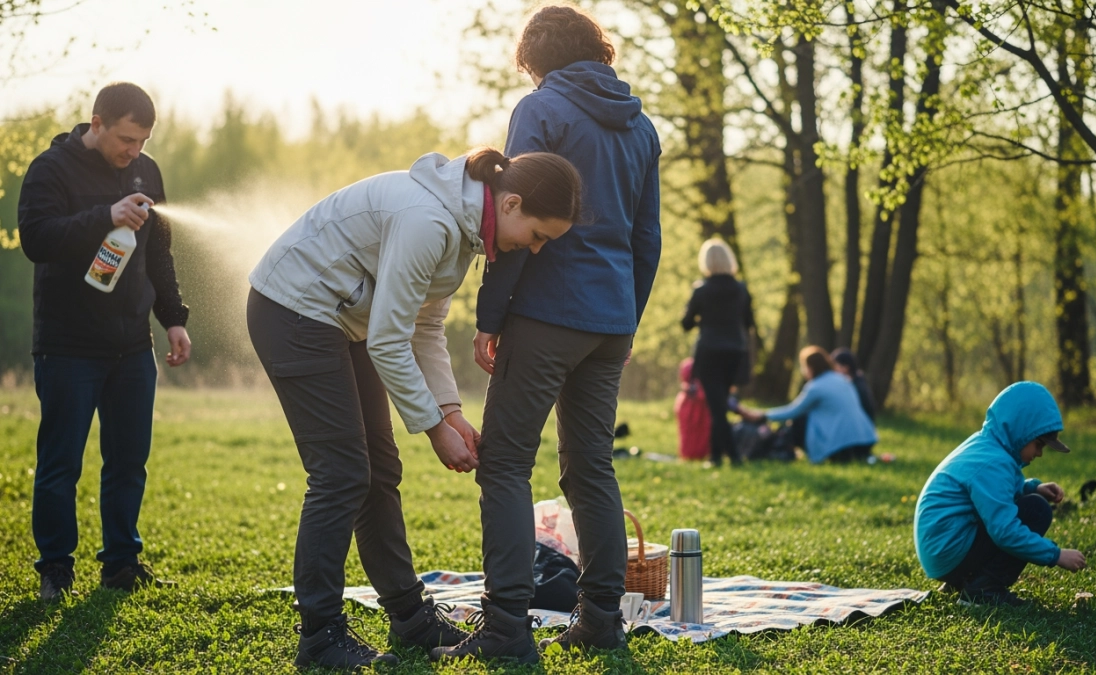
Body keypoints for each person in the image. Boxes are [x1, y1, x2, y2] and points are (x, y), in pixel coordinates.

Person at [246, 147, 582, 669]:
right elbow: (387, 340)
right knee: (340, 474)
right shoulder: (429, 221)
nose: (535, 250)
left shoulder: (464, 233)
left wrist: (448, 411)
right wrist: (432, 429)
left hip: (342, 322)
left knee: (378, 470)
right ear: (511, 204)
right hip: (295, 312)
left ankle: (410, 618)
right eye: (538, 236)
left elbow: (423, 326)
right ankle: (319, 636)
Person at [435, 5, 661, 664]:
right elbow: (647, 237)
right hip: (610, 321)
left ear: (538, 59)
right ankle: (600, 620)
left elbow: (519, 214)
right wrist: (625, 316)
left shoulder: (543, 109)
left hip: (546, 313)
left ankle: (505, 629)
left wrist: (490, 316)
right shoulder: (641, 126)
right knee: (590, 467)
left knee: (505, 461)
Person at [17, 82, 191, 603]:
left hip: (132, 347)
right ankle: (55, 568)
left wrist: (174, 319)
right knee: (60, 464)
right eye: (125, 139)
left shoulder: (147, 172)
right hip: (68, 346)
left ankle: (120, 562)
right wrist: (105, 216)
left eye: (142, 141)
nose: (133, 151)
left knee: (127, 461)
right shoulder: (51, 170)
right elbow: (37, 239)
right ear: (96, 124)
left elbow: (158, 253)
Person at [914, 381, 1087, 606]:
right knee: (1037, 510)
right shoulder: (994, 463)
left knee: (1032, 500)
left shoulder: (987, 446)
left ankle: (963, 580)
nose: (1040, 453)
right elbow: (1005, 532)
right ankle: (983, 589)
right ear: (1021, 432)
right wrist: (1056, 555)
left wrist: (1031, 487)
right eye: (1038, 444)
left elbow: (997, 492)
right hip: (949, 551)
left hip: (942, 551)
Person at [681, 238, 756, 467]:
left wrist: (703, 320)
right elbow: (749, 323)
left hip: (709, 352)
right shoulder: (741, 289)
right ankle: (715, 456)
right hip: (735, 351)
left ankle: (733, 456)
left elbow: (686, 323)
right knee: (720, 404)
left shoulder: (701, 290)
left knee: (717, 407)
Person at [741, 346, 877, 463]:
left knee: (800, 418)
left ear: (811, 367)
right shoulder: (843, 380)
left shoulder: (815, 387)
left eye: (804, 367)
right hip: (865, 441)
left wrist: (762, 415)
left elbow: (793, 411)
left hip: (841, 446)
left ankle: (782, 450)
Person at [831, 347, 876, 421]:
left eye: (835, 366)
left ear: (845, 368)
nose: (833, 370)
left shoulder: (856, 386)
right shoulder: (855, 381)